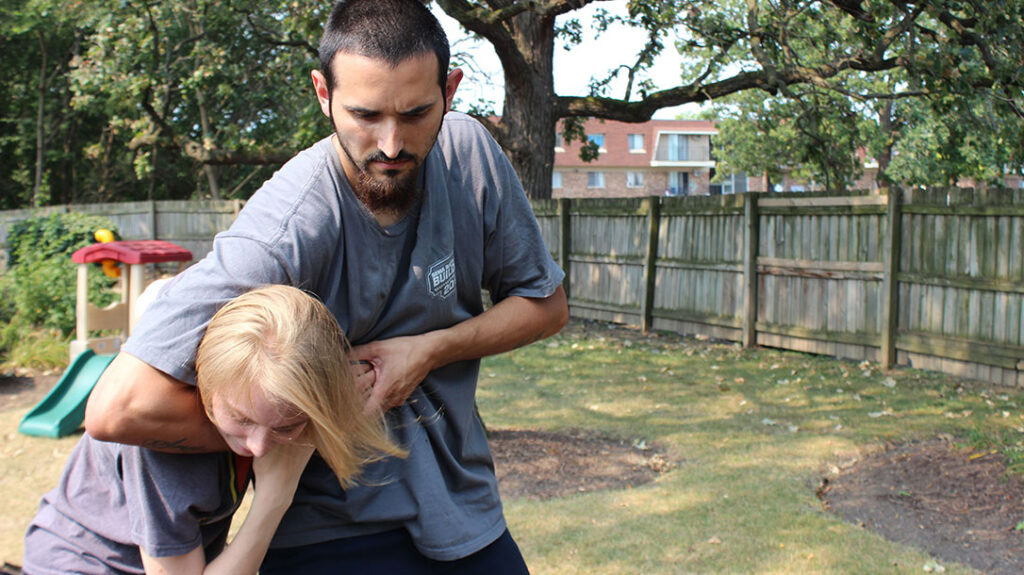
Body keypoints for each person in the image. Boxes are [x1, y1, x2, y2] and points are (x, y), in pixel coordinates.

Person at [84, 0, 569, 572]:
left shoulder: (470, 154)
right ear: (323, 93)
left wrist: (428, 350)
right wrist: (302, 430)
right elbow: (118, 409)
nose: (391, 145)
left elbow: (546, 306)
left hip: (464, 506)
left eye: (415, 113)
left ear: (451, 90)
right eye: (365, 115)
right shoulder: (285, 231)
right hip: (329, 527)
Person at [24, 285, 404, 574]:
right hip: (80, 563)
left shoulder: (262, 406)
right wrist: (276, 494)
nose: (256, 447)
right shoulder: (161, 452)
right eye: (241, 419)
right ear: (205, 384)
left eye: (286, 425)